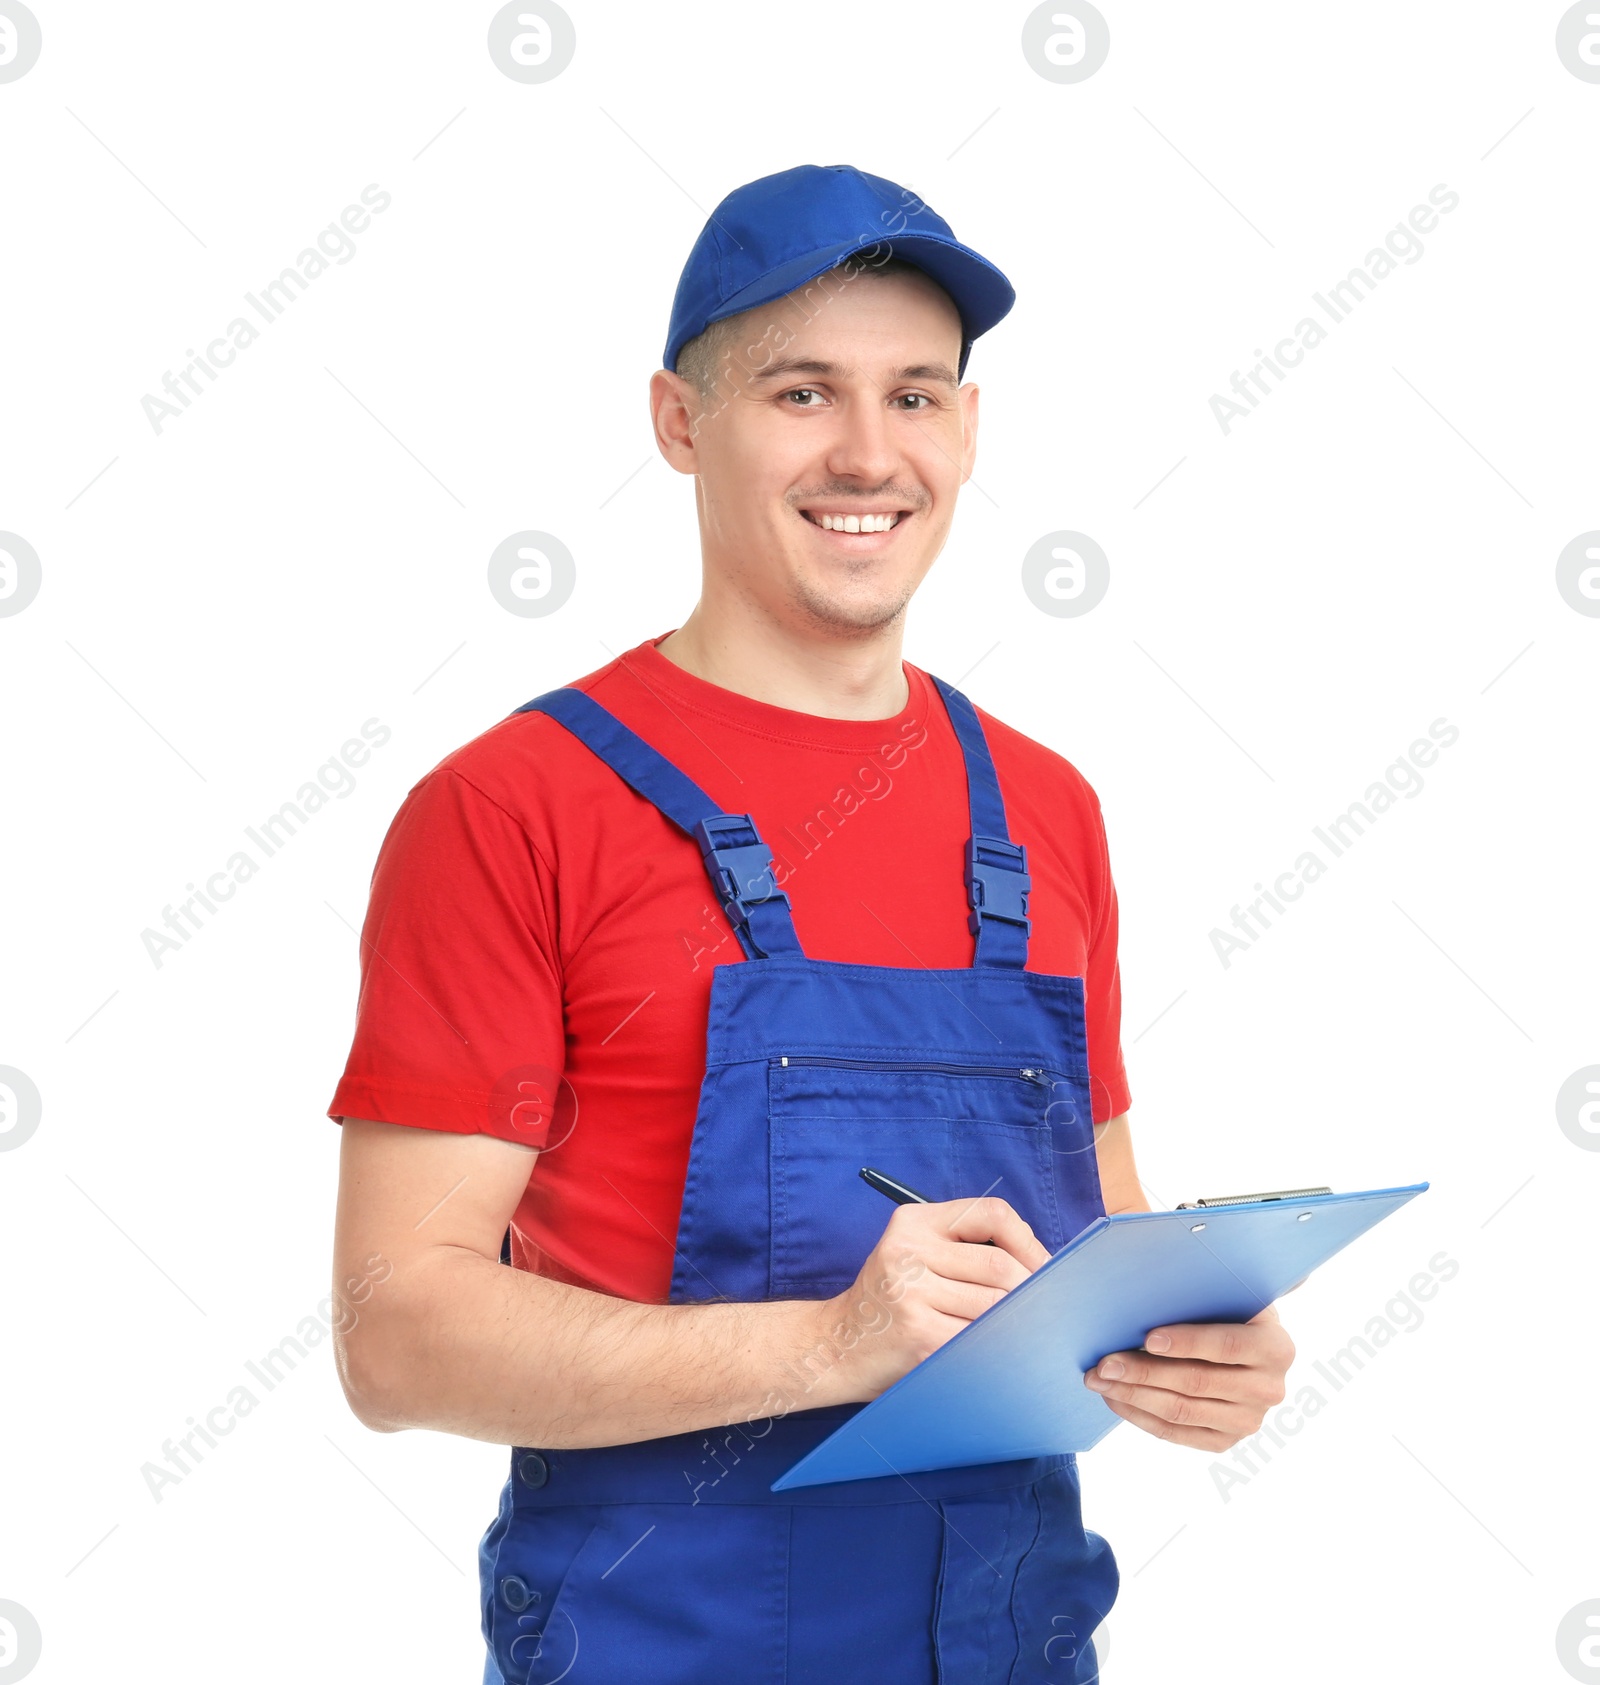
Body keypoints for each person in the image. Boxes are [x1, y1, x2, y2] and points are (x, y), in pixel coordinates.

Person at [328, 163, 1294, 1685]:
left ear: (968, 433)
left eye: (916, 394)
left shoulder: (1046, 809)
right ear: (678, 421)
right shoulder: (515, 807)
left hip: (1017, 1639)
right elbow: (391, 1336)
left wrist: (1182, 1353)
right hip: (665, 1645)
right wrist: (830, 1345)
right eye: (799, 391)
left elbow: (1097, 1243)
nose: (867, 451)